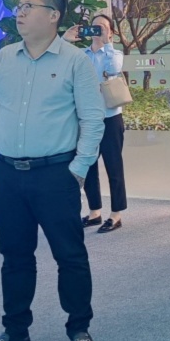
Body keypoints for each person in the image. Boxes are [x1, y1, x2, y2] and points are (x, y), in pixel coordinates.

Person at [0, 0, 104, 341]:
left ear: (53, 16)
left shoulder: (75, 61)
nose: (20, 12)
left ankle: (79, 328)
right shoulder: (5, 58)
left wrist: (78, 170)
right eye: (20, 6)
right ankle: (15, 331)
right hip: (8, 176)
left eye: (29, 6)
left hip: (55, 175)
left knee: (70, 255)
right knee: (14, 257)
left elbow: (92, 119)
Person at [64, 14, 127, 234]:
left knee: (113, 166)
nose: (98, 30)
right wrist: (65, 40)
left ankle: (116, 214)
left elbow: (113, 69)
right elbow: (62, 65)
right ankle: (94, 212)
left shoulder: (114, 53)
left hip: (110, 117)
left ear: (111, 32)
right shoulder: (81, 55)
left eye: (103, 26)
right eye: (95, 26)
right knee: (89, 166)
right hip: (87, 119)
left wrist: (106, 44)